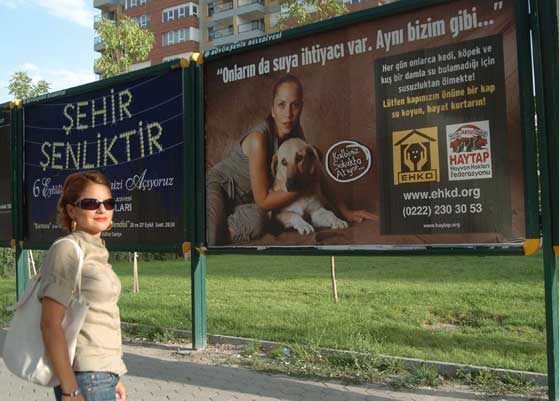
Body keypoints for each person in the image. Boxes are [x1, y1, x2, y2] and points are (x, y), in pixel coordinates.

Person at [207, 74, 375, 245]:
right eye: (281, 105)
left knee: (259, 221)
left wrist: (345, 211)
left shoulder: (295, 134)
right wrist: (304, 184)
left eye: (294, 105)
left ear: (301, 107)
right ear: (272, 110)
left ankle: (222, 224)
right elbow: (264, 200)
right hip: (221, 187)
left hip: (247, 201)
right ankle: (208, 223)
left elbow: (315, 170)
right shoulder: (258, 139)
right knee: (209, 240)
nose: (288, 113)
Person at [39, 171, 127, 401]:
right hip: (85, 379)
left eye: (108, 203)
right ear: (71, 210)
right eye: (90, 203)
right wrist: (70, 390)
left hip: (103, 374)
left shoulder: (96, 248)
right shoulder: (68, 249)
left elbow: (100, 316)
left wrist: (115, 374)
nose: (102, 210)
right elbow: (50, 324)